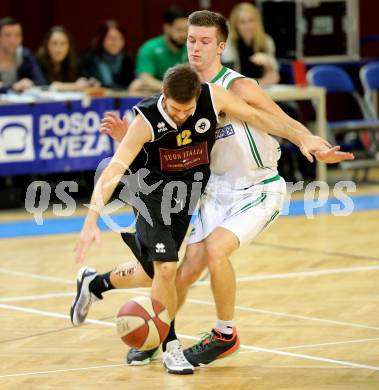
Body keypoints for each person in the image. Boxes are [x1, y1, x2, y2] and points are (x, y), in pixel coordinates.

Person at [71, 12, 354, 371]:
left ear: (221, 46)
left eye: (205, 41)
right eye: (191, 40)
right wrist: (132, 140)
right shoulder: (183, 89)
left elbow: (272, 117)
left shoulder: (234, 87)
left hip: (256, 186)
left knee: (206, 255)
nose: (196, 47)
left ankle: (224, 334)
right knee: (173, 272)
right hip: (212, 192)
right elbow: (159, 138)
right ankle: (144, 326)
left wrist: (306, 139)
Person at [222, 2, 279, 86]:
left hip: (263, 90)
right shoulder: (228, 44)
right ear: (235, 25)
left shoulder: (267, 41)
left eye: (251, 20)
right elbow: (230, 80)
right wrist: (260, 83)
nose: (248, 26)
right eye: (242, 22)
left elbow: (273, 75)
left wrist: (268, 63)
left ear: (257, 22)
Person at [132, 6, 188, 92]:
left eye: (186, 30)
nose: (184, 35)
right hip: (156, 96)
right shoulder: (149, 48)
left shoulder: (192, 47)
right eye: (179, 30)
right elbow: (146, 79)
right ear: (166, 28)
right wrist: (173, 89)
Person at [79, 20, 135, 90]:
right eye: (112, 39)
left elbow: (132, 83)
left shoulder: (127, 59)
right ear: (101, 39)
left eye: (120, 38)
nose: (117, 43)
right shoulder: (88, 59)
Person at [36, 26, 95, 91]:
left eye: (63, 44)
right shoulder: (38, 62)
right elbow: (45, 85)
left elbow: (82, 79)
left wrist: (87, 82)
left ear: (69, 46)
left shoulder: (73, 62)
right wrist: (75, 86)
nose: (59, 49)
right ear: (47, 46)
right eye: (54, 44)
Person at [0, 17, 45, 92]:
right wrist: (13, 87)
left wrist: (30, 83)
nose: (13, 40)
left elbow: (41, 81)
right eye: (8, 35)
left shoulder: (24, 55)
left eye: (17, 35)